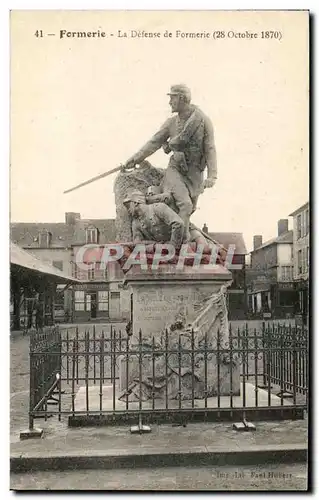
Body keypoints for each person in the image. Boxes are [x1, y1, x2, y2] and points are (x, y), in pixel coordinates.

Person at [123, 84, 217, 241]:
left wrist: (212, 175)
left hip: (195, 174)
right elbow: (154, 142)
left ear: (181, 98)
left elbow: (210, 148)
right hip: (176, 170)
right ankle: (179, 246)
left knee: (189, 209)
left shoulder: (203, 121)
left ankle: (175, 238)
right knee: (185, 205)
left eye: (172, 98)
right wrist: (135, 159)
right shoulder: (171, 123)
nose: (169, 102)